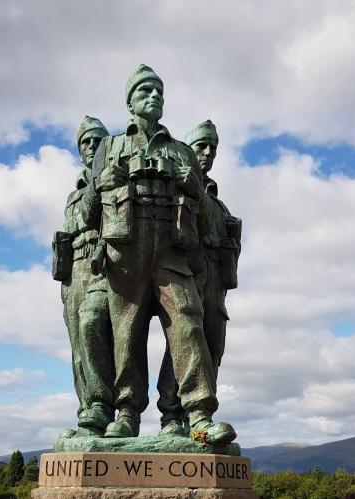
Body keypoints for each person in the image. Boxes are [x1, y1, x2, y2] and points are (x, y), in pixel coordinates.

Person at [81, 65, 235, 443]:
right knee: (126, 331)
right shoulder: (110, 147)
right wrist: (102, 184)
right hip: (127, 250)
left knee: (188, 320)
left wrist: (193, 189)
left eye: (159, 93)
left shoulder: (180, 151)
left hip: (171, 250)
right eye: (146, 91)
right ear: (130, 101)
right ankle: (127, 412)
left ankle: (197, 415)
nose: (154, 98)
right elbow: (88, 212)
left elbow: (204, 218)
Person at [157, 120, 242, 438]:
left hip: (216, 286)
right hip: (186, 273)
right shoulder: (173, 189)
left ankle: (199, 421)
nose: (207, 153)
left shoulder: (219, 203)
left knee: (212, 349)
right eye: (201, 146)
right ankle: (172, 416)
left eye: (213, 148)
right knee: (182, 344)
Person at [59, 116, 114, 436]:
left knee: (93, 326)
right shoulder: (73, 194)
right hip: (73, 273)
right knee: (78, 346)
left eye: (97, 141)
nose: (92, 146)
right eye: (86, 142)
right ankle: (88, 416)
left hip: (102, 266)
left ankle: (104, 404)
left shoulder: (112, 181)